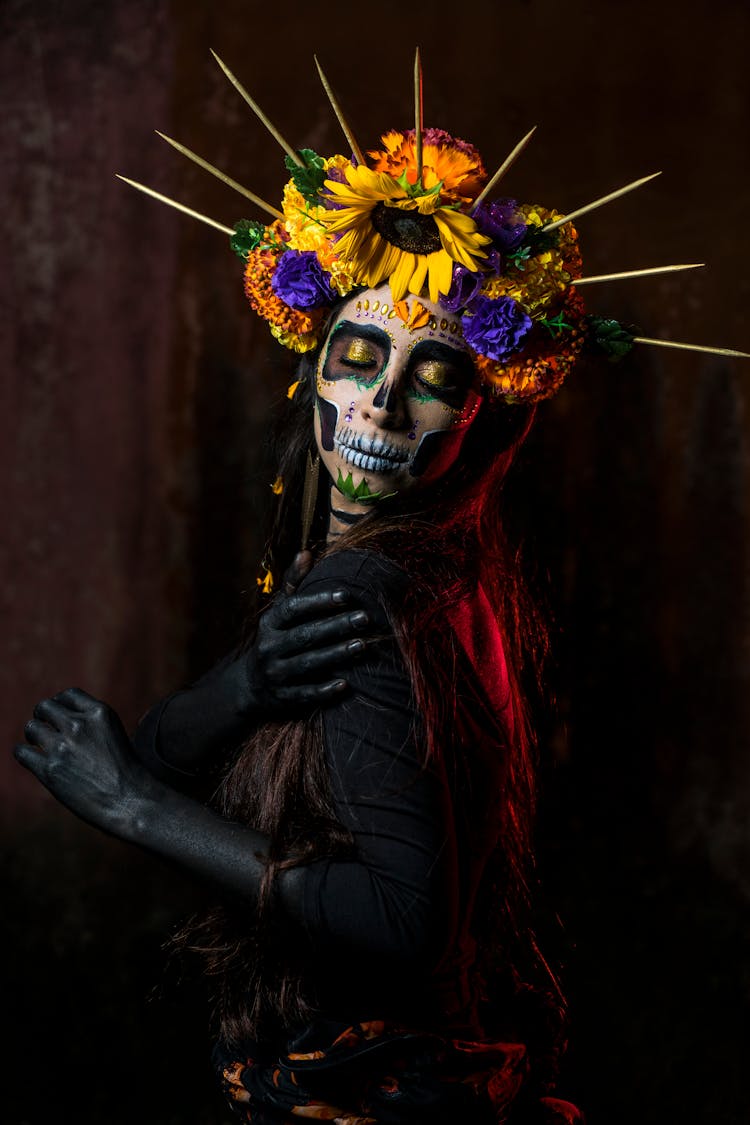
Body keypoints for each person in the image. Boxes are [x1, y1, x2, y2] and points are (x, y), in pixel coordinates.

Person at [17, 51, 744, 1123]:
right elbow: (164, 750)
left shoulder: (380, 588)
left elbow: (405, 922)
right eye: (358, 357)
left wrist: (130, 808)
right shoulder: (407, 570)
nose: (379, 407)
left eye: (435, 380)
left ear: (482, 411)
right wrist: (246, 684)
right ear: (312, 362)